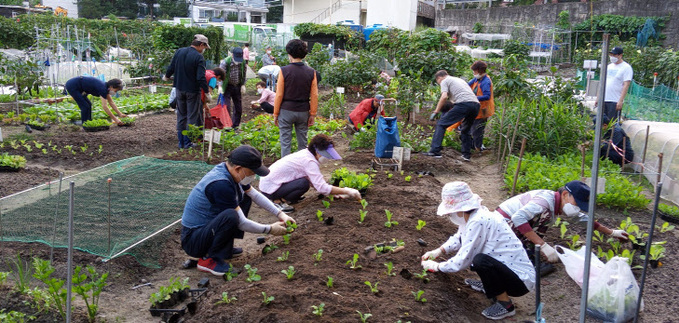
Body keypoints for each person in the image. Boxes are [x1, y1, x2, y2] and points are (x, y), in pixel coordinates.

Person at [420, 182, 535, 320]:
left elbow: (463, 259)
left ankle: (506, 305)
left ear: (460, 209)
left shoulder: (478, 221)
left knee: (480, 261)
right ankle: (489, 286)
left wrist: (437, 266)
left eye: (451, 211)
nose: (450, 215)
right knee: (480, 260)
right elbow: (459, 238)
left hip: (520, 281)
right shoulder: (473, 216)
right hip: (508, 271)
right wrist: (439, 251)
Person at [181, 145, 296, 276]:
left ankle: (224, 248)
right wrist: (270, 229)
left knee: (244, 197)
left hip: (206, 230)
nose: (254, 176)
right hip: (193, 240)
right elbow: (241, 222)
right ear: (238, 169)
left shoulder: (231, 172)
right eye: (252, 172)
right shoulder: (220, 184)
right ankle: (209, 260)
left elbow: (254, 194)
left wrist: (281, 214)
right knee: (231, 215)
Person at [494, 180, 629, 272]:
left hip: (506, 225)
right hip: (500, 227)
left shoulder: (557, 202)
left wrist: (612, 233)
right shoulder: (545, 202)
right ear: (565, 194)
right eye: (577, 204)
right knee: (544, 216)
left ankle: (524, 252)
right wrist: (543, 246)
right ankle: (519, 255)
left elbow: (583, 220)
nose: (578, 209)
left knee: (543, 217)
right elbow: (518, 218)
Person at [259, 134, 362, 212]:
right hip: (269, 189)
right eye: (325, 155)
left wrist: (334, 192)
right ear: (317, 151)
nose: (326, 158)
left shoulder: (306, 154)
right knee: (303, 184)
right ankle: (277, 201)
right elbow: (321, 187)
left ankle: (286, 198)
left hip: (270, 184)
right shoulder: (309, 161)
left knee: (305, 182)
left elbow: (316, 184)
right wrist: (347, 191)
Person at [274, 39, 318, 157]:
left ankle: (286, 170)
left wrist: (276, 113)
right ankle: (302, 168)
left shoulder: (284, 71)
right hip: (303, 111)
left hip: (286, 110)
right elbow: (314, 95)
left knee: (285, 143)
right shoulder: (311, 72)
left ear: (289, 54)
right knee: (303, 144)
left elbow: (279, 94)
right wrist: (312, 113)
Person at [165, 34, 211, 149]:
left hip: (179, 89)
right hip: (192, 91)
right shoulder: (199, 57)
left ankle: (181, 142)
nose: (204, 50)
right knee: (191, 116)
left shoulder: (179, 51)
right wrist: (206, 92)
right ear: (201, 45)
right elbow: (200, 77)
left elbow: (171, 67)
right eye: (204, 48)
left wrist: (166, 76)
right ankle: (187, 143)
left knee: (181, 115)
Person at [423, 70, 480, 161]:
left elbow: (444, 97)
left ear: (439, 78)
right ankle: (466, 155)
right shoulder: (459, 80)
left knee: (441, 124)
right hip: (475, 105)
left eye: (438, 82)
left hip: (464, 104)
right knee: (465, 130)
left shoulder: (444, 81)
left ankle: (435, 151)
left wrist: (436, 111)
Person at [597, 47, 633, 123]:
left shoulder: (626, 68)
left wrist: (620, 101)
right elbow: (602, 82)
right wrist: (598, 97)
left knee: (612, 123)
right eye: (611, 54)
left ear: (620, 55)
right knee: (601, 123)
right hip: (604, 98)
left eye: (615, 55)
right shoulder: (608, 66)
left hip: (614, 100)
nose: (612, 57)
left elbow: (626, 85)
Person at [466, 61, 494, 152]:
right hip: (476, 108)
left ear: (479, 71)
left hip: (482, 110)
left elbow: (487, 96)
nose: (473, 73)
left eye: (474, 71)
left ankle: (478, 149)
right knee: (472, 128)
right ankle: (474, 147)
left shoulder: (485, 82)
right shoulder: (478, 79)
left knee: (478, 130)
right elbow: (467, 84)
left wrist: (473, 97)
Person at [220, 48, 247, 128]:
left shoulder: (243, 62)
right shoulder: (225, 62)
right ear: (232, 55)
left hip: (237, 86)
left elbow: (244, 74)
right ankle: (227, 125)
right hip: (227, 86)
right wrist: (220, 86)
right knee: (227, 106)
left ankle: (235, 126)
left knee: (238, 108)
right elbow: (221, 75)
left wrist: (243, 84)